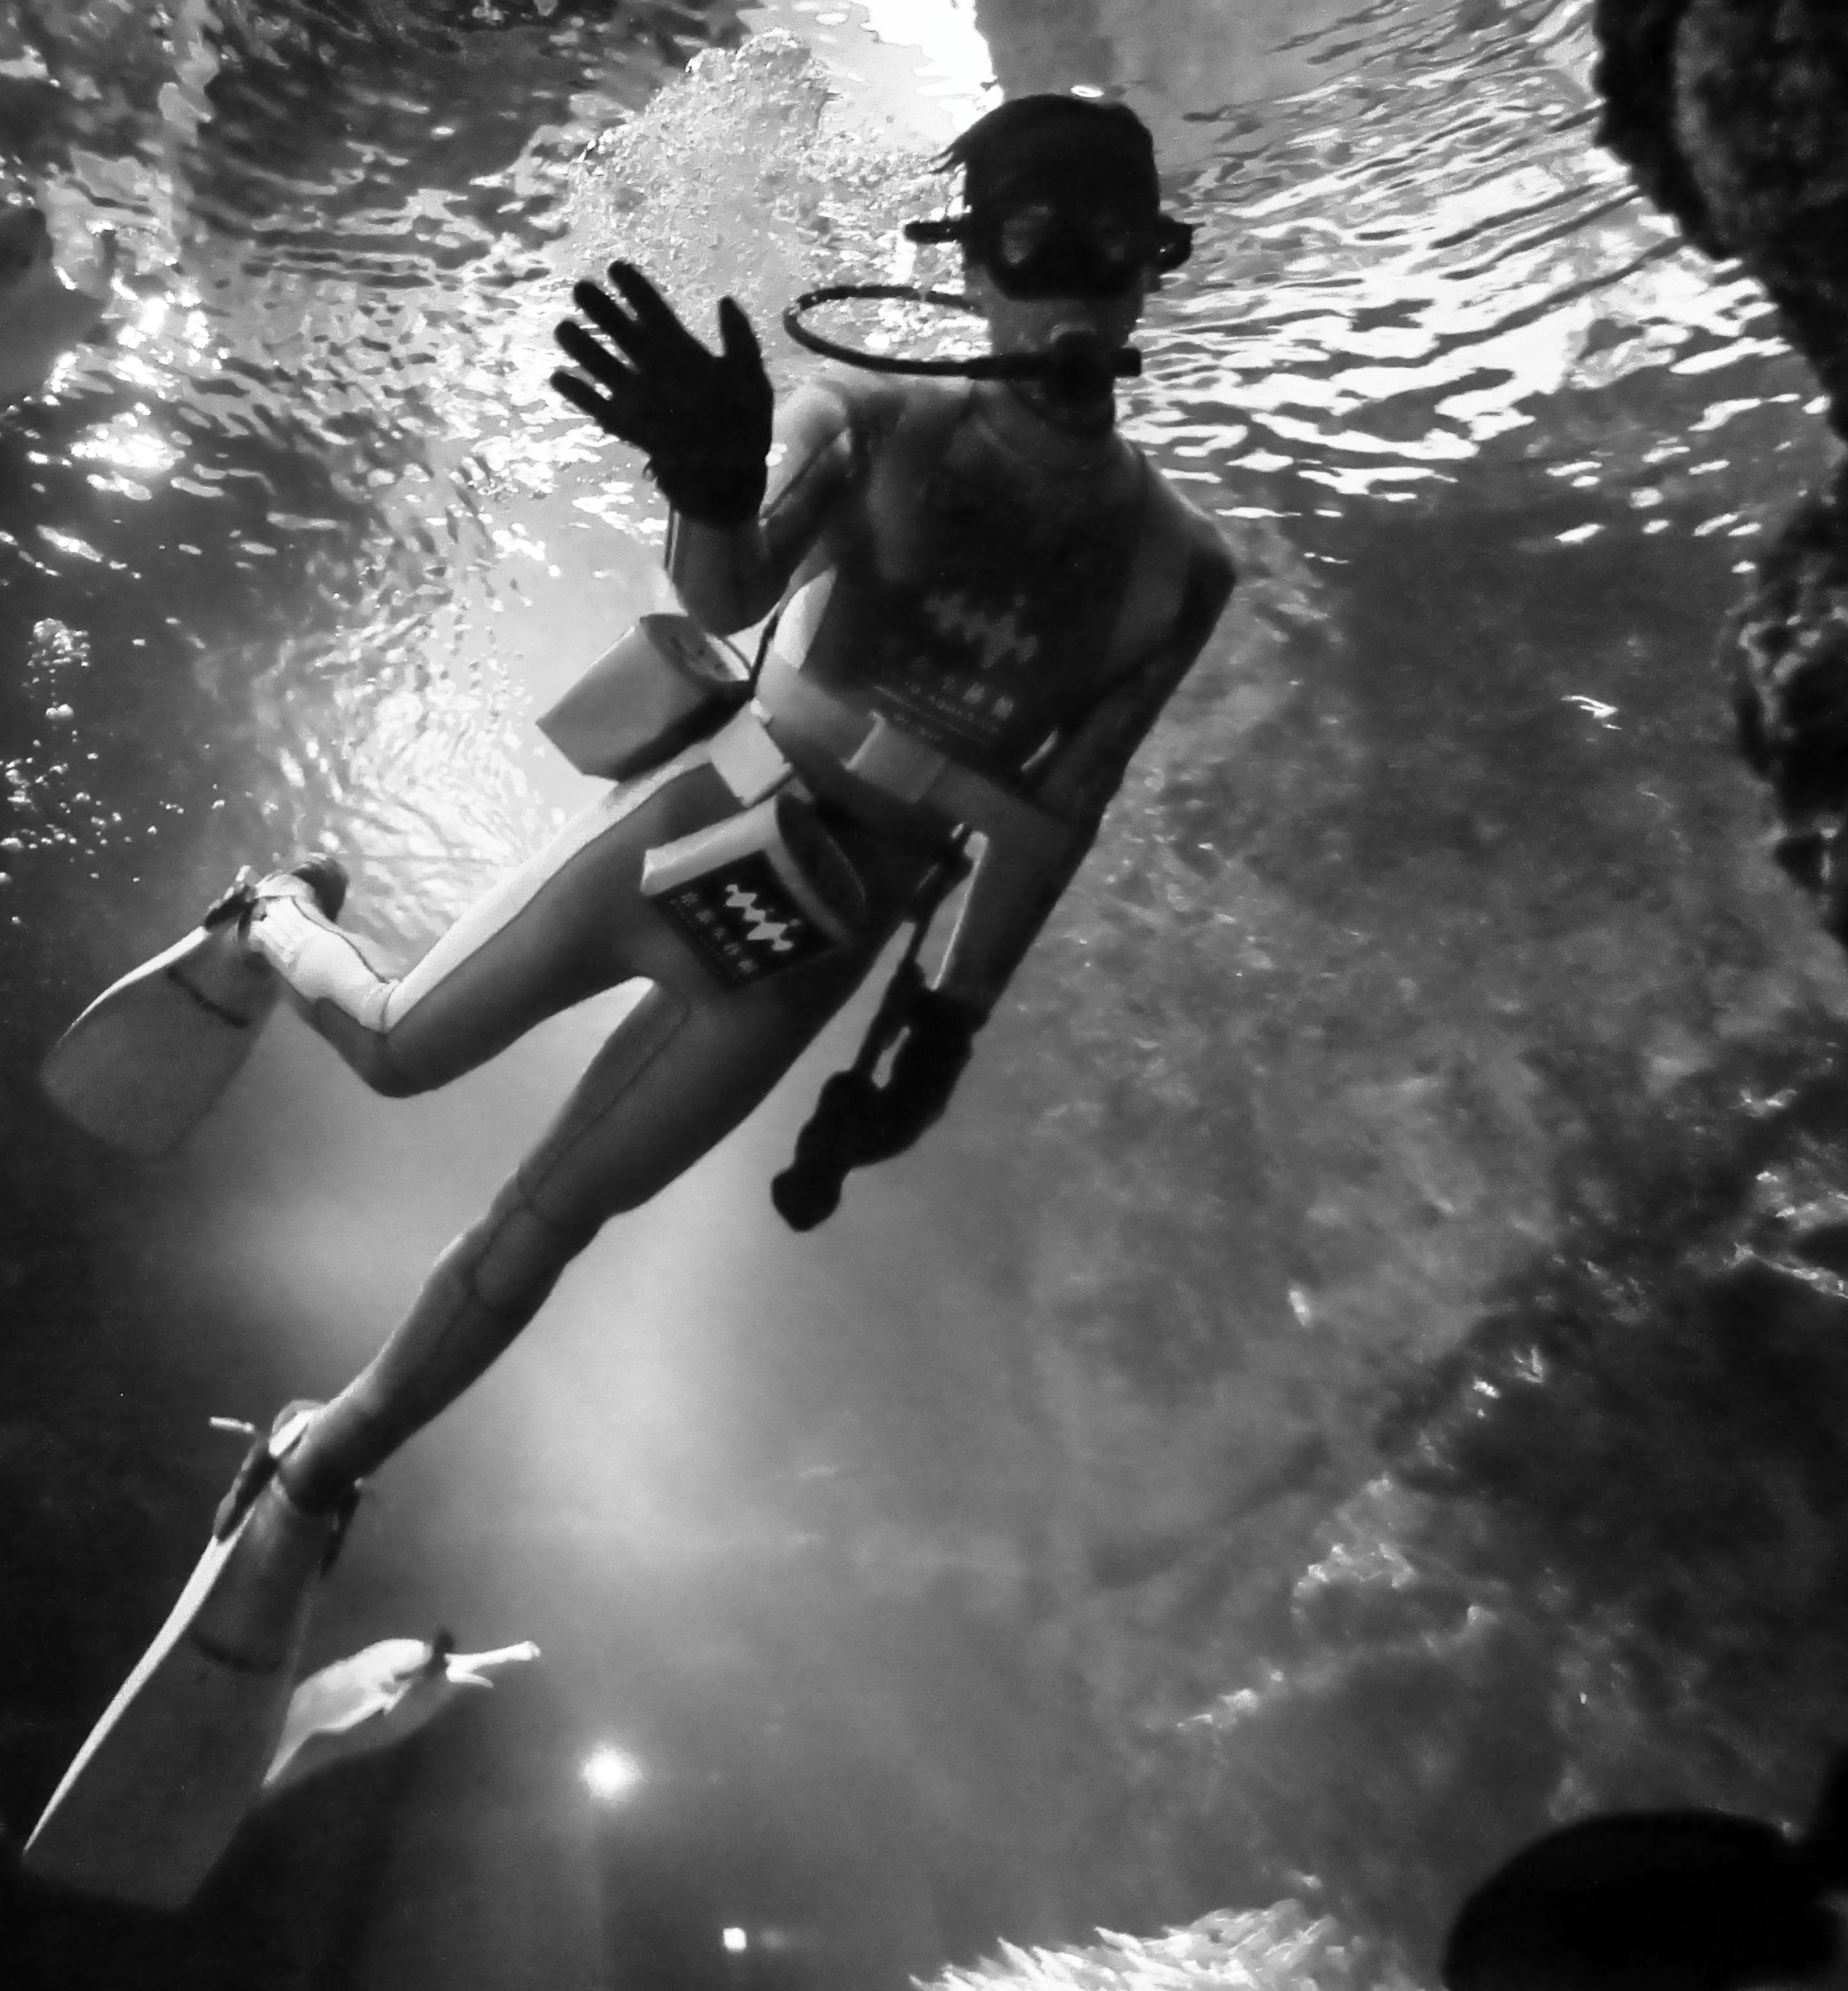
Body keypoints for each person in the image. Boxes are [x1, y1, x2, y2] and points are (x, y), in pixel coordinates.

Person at [193, 90, 1234, 1766]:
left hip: (822, 927)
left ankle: (320, 1464)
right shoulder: (872, 411)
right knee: (396, 1052)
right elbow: (730, 592)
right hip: (701, 818)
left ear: (1149, 272)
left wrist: (939, 1032)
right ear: (973, 267)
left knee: (556, 1210)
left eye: (1112, 253)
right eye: (1039, 245)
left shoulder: (1178, 566)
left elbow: (1063, 810)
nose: (1077, 292)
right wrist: (705, 472)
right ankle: (264, 916)